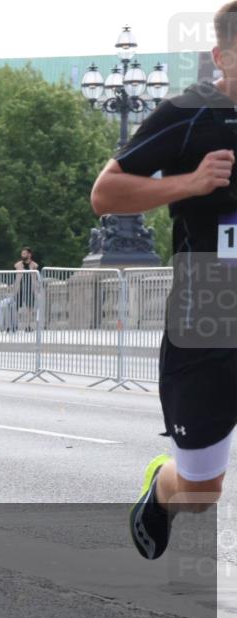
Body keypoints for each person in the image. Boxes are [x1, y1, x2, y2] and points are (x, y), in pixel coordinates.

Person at [91, 1, 237, 560]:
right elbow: (105, 194)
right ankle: (162, 486)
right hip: (207, 319)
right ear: (220, 56)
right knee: (202, 491)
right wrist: (192, 184)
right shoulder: (190, 113)